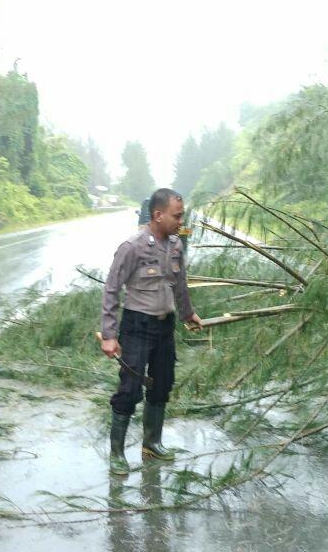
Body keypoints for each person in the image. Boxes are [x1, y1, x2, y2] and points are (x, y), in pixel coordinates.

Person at [100, 187, 202, 475]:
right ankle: (117, 454)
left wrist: (187, 313)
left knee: (162, 385)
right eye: (177, 216)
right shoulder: (132, 247)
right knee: (130, 390)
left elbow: (179, 284)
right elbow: (111, 289)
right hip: (137, 326)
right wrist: (109, 335)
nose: (181, 221)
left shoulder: (176, 245)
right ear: (158, 215)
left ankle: (151, 443)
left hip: (164, 326)